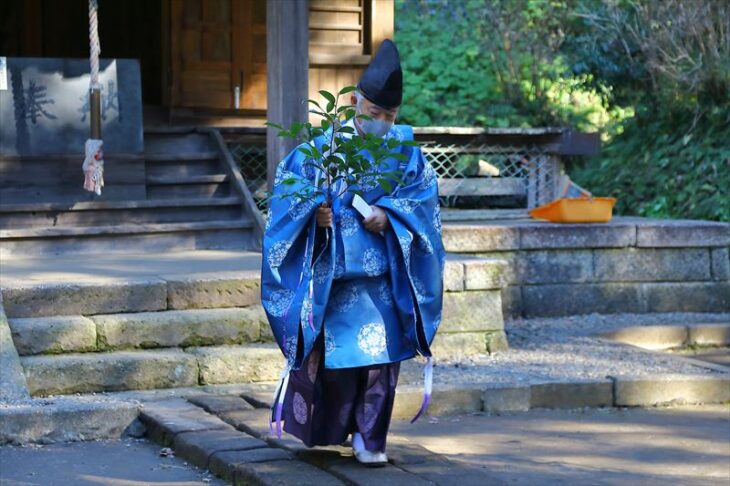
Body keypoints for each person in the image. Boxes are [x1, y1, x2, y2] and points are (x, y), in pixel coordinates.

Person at [261, 39, 445, 466]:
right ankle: (332, 431)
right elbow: (287, 193)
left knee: (382, 364)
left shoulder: (406, 154)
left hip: (385, 279)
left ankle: (371, 440)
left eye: (390, 116)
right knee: (338, 365)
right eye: (373, 112)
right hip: (335, 277)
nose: (381, 122)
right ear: (352, 102)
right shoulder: (318, 151)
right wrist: (314, 215)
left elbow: (424, 203)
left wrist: (390, 215)